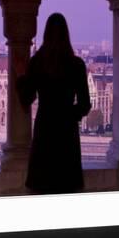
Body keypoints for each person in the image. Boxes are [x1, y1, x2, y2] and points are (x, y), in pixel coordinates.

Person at [15, 13, 91, 194]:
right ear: (67, 34)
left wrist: (20, 76)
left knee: (42, 187)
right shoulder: (76, 65)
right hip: (67, 133)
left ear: (45, 34)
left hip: (45, 129)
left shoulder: (38, 63)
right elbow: (85, 104)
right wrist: (68, 115)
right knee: (67, 188)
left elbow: (26, 99)